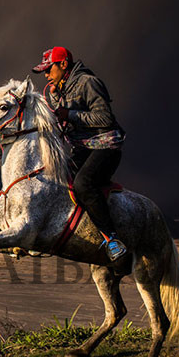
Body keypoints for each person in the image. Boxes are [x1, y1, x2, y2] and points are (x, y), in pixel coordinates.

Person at [32, 46, 128, 261]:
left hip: (105, 147)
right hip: (82, 148)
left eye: (49, 69)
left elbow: (105, 119)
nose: (46, 75)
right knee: (56, 179)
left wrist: (70, 114)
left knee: (83, 184)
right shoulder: (60, 89)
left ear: (63, 64)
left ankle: (112, 240)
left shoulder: (88, 83)